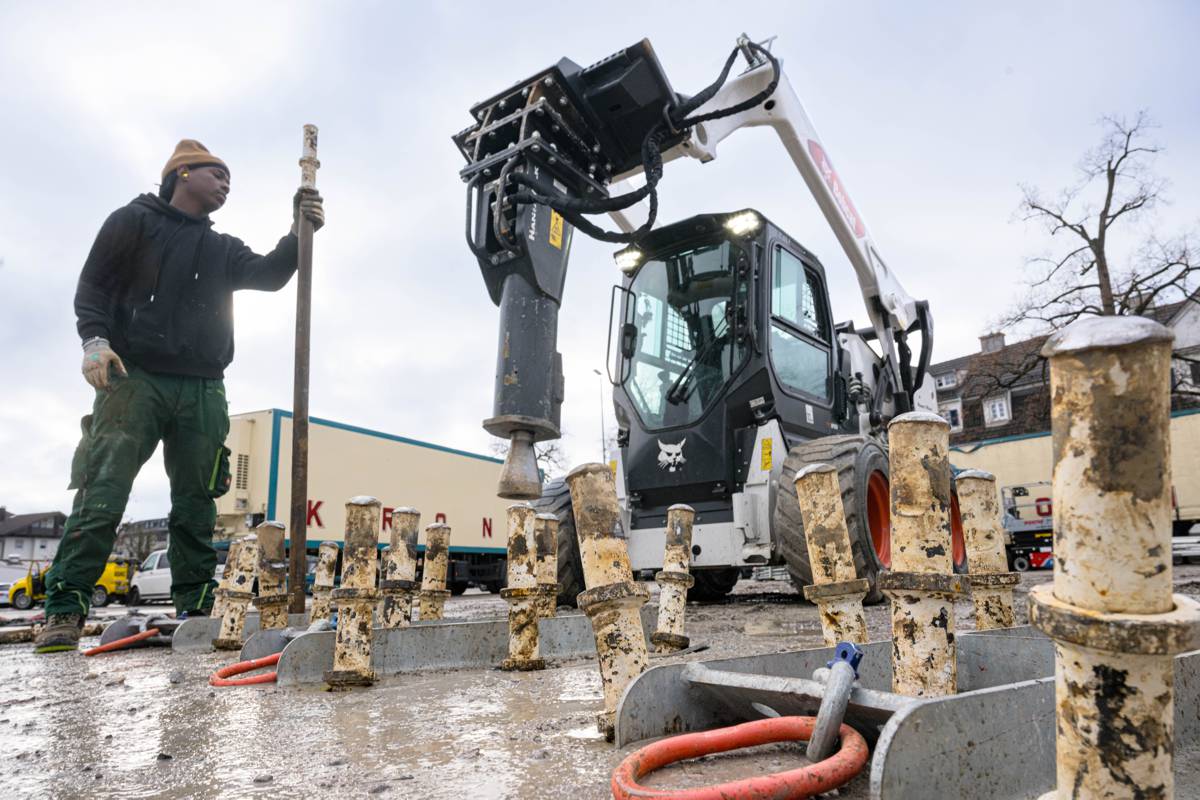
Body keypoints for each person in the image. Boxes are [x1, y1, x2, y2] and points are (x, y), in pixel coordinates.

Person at [35, 140, 324, 653]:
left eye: (230, 179)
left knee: (196, 502)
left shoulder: (222, 247)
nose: (226, 185)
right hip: (135, 377)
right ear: (182, 172)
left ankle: (195, 604)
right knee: (103, 491)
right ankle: (64, 608)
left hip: (204, 385)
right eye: (217, 174)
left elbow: (270, 275)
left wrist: (299, 230)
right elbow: (93, 286)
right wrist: (94, 341)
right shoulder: (133, 222)